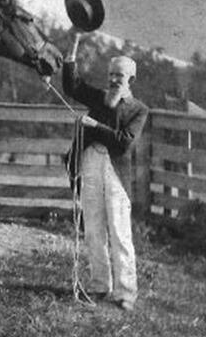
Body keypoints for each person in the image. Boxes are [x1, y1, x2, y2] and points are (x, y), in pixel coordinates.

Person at [62, 34, 148, 311]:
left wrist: (94, 125)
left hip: (116, 172)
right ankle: (100, 285)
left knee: (119, 232)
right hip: (90, 162)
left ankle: (126, 293)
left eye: (119, 76)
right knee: (94, 228)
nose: (113, 80)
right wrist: (74, 42)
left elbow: (123, 142)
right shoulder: (99, 97)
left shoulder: (139, 109)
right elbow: (71, 84)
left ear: (131, 80)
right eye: (111, 74)